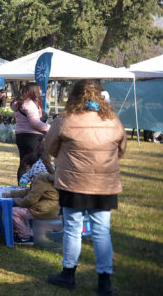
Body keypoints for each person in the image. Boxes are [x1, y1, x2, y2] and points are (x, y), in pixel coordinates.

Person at [45, 80, 126, 295]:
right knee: (101, 231)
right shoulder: (113, 120)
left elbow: (50, 147)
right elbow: (121, 149)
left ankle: (68, 274)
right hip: (104, 184)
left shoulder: (65, 119)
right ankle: (104, 282)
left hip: (73, 183)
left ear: (74, 96)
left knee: (73, 229)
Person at [4, 171, 59, 245]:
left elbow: (30, 199)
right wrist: (11, 194)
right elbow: (29, 191)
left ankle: (24, 237)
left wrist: (18, 202)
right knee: (22, 211)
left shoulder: (41, 180)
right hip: (54, 210)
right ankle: (29, 233)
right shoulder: (51, 180)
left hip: (44, 210)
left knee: (14, 212)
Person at [12, 82, 50, 183]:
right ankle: (34, 187)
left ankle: (21, 187)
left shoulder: (18, 103)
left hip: (20, 136)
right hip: (32, 138)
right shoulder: (30, 104)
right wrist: (50, 128)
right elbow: (35, 123)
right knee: (35, 164)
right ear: (34, 91)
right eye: (39, 89)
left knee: (23, 164)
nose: (41, 91)